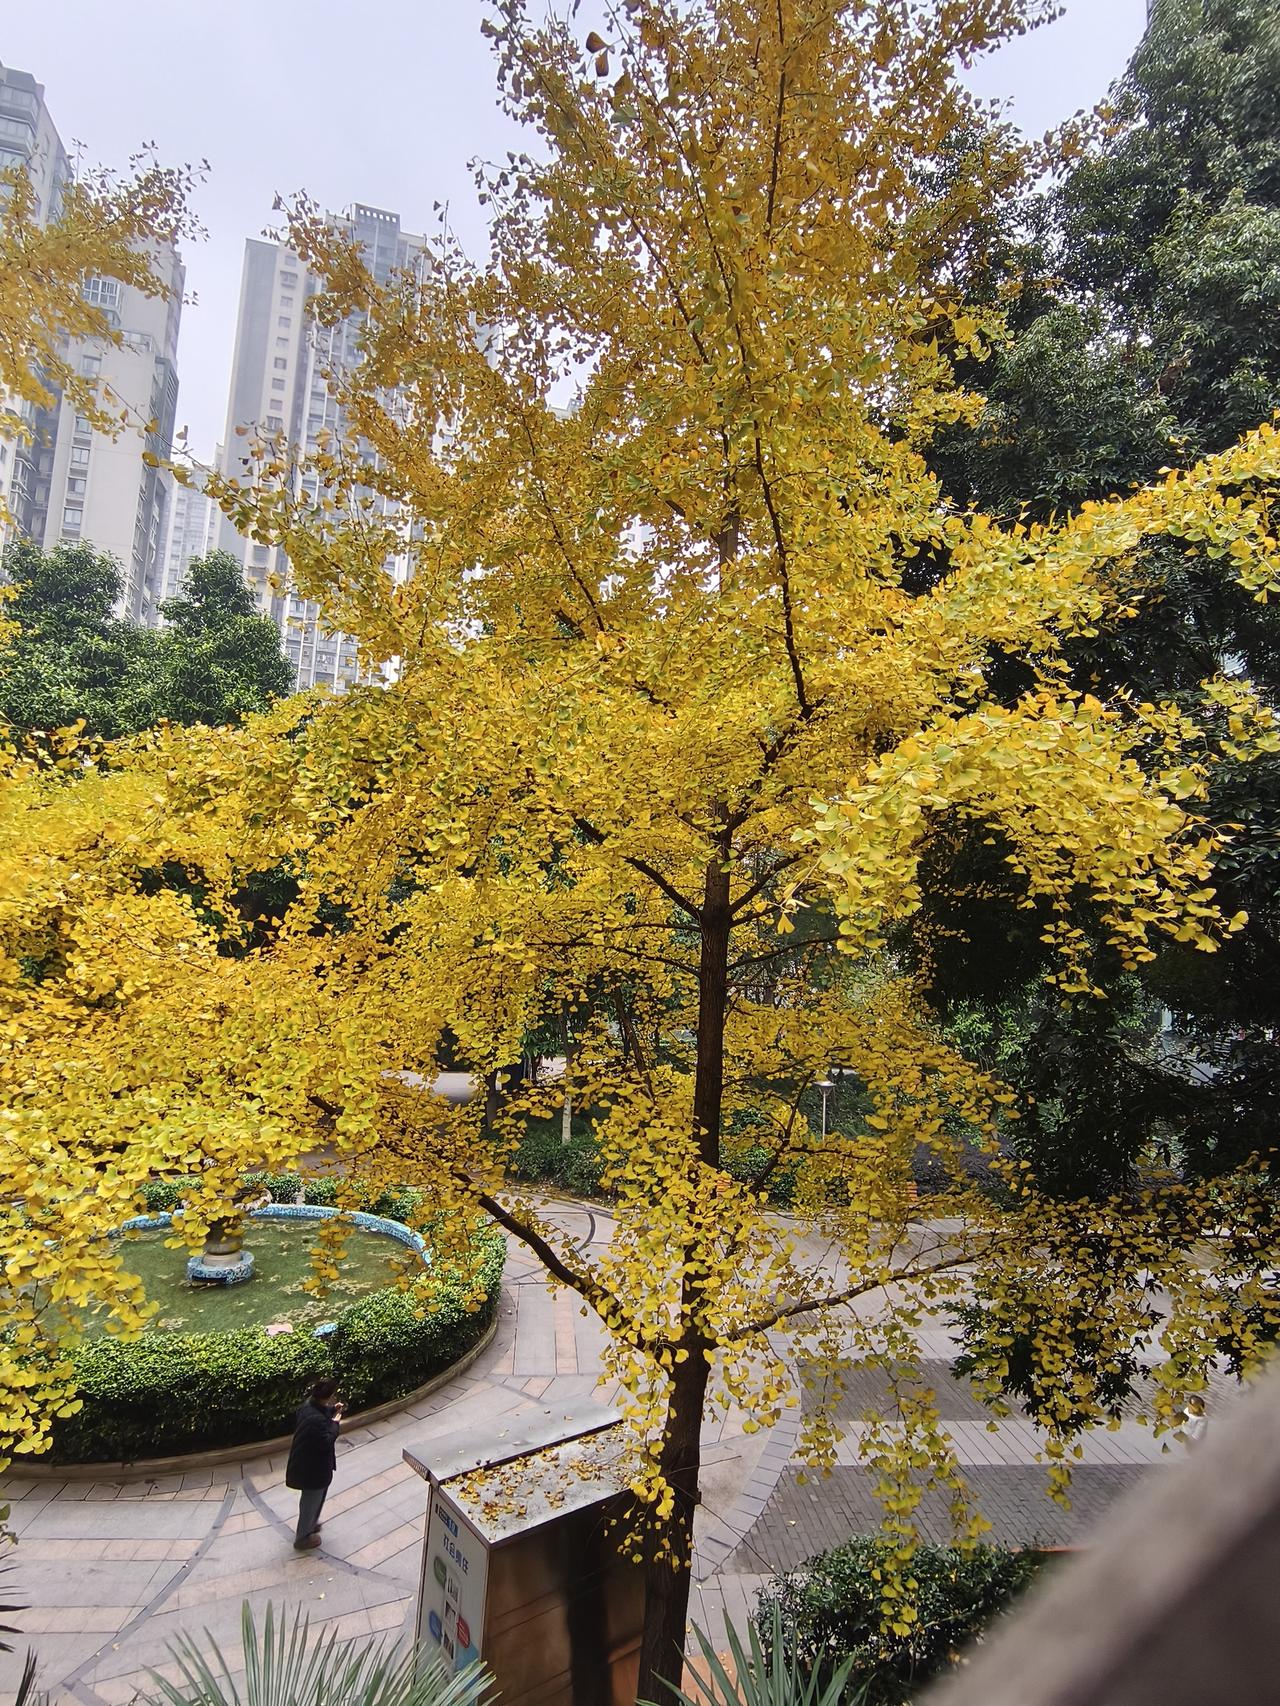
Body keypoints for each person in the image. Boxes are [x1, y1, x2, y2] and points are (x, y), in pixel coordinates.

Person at [285, 1376, 346, 1550]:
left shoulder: (310, 1406)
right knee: (310, 1502)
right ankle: (303, 1537)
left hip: (313, 1466)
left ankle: (311, 1525)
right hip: (311, 1469)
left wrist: (333, 1410)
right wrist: (335, 1423)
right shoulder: (315, 1420)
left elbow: (320, 1413)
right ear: (328, 1396)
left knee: (316, 1498)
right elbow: (326, 1440)